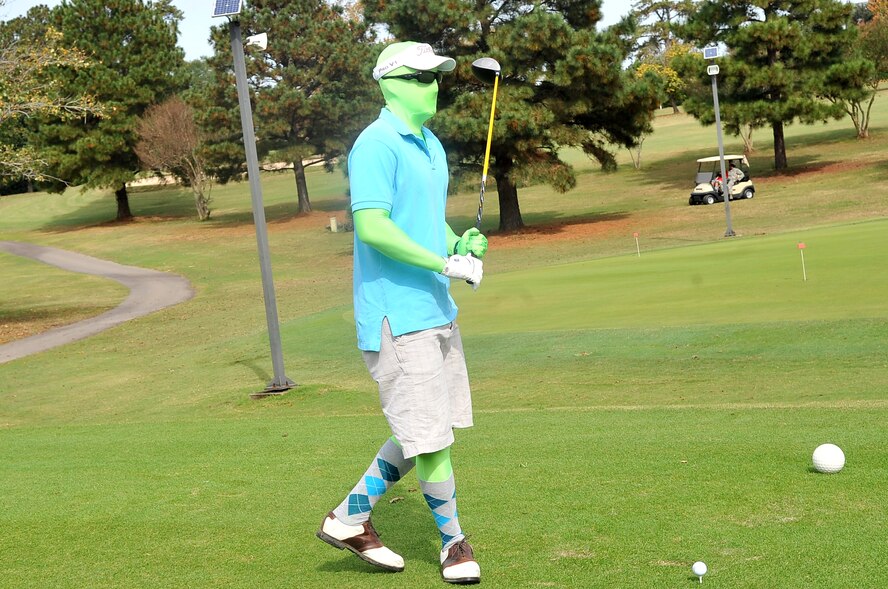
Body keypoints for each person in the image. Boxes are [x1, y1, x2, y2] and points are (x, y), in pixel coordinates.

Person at [316, 41, 488, 585]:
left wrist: (458, 243)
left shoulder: (431, 145)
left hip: (435, 307)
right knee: (430, 438)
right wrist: (444, 261)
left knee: (424, 430)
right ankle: (453, 544)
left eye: (436, 77)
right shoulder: (375, 144)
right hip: (396, 315)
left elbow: (424, 221)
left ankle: (348, 517)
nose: (432, 85)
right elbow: (373, 226)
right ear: (389, 83)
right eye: (419, 77)